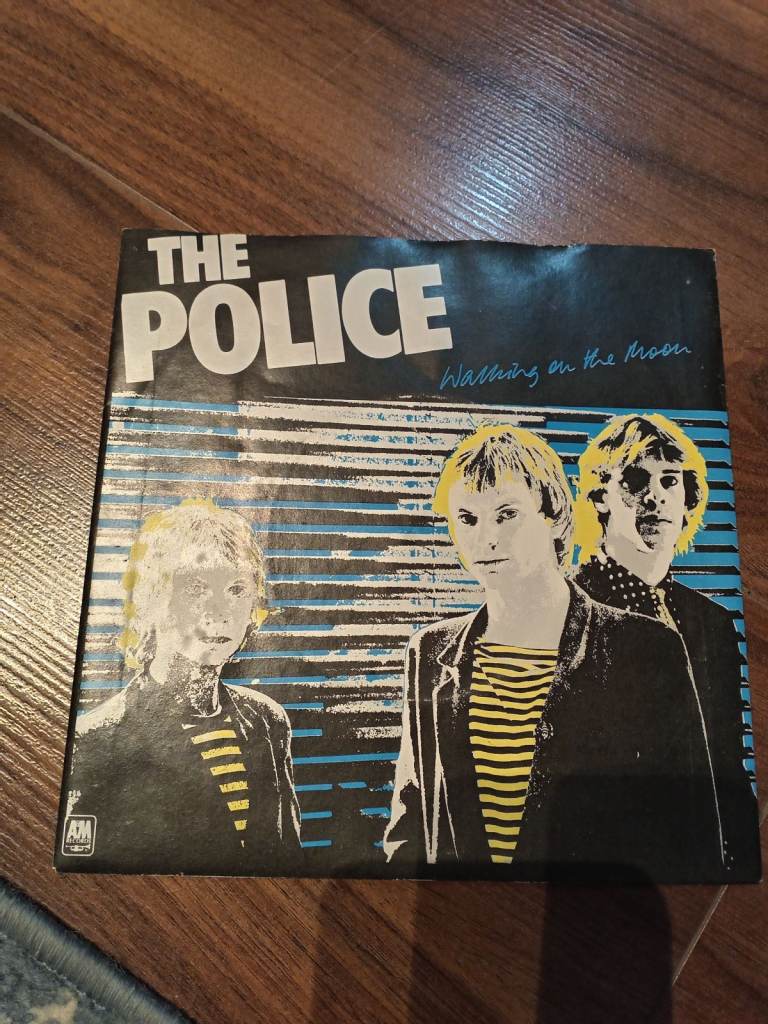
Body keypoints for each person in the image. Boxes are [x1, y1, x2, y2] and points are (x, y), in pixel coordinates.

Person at [383, 425, 723, 881]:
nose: (485, 539)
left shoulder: (646, 646)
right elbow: (408, 829)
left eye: (506, 514)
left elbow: (693, 834)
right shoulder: (430, 651)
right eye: (467, 519)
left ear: (555, 516)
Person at [60, 499, 301, 874]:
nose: (219, 611)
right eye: (196, 588)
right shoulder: (93, 739)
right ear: (152, 601)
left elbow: (287, 858)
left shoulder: (268, 720)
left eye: (237, 589)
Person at [572, 413, 760, 877]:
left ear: (688, 499)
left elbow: (729, 766)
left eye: (669, 481)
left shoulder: (714, 622)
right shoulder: (569, 609)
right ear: (600, 498)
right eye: (635, 481)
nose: (655, 497)